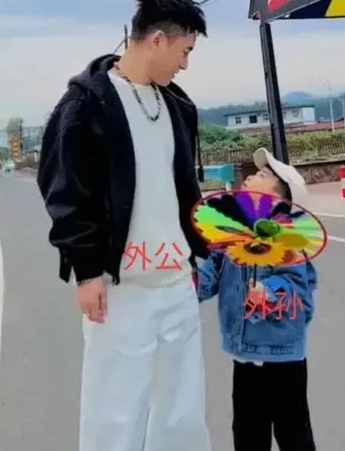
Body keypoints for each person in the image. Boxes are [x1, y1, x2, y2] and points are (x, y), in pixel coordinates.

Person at [37, 1, 212, 450]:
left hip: (176, 281)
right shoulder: (85, 104)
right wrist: (86, 271)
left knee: (182, 408)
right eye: (185, 51)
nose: (185, 65)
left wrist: (198, 250)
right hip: (120, 287)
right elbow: (64, 190)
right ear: (158, 40)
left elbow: (180, 189)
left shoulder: (177, 105)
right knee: (114, 409)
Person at [197, 148, 318, 451]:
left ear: (278, 199)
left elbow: (297, 288)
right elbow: (210, 272)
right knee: (247, 435)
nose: (249, 177)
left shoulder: (286, 238)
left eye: (262, 175)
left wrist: (268, 293)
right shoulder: (232, 233)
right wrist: (188, 285)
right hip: (245, 354)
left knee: (294, 435)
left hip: (282, 358)